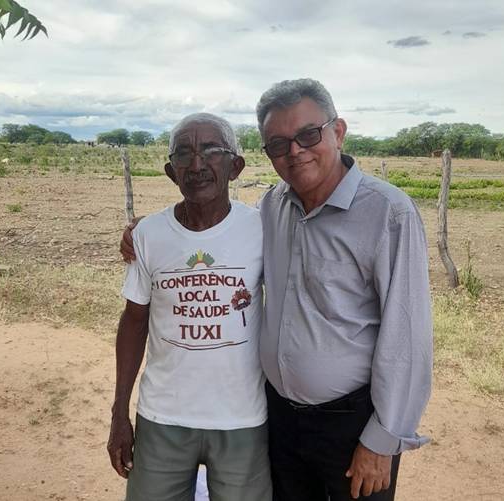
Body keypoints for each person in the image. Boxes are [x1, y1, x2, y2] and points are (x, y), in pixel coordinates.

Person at [121, 78, 432, 501]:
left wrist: (383, 439)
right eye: (279, 144)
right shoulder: (272, 207)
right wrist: (145, 231)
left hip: (351, 422)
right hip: (280, 420)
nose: (295, 151)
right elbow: (209, 231)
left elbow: (407, 339)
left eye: (309, 134)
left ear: (338, 132)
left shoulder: (388, 213)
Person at [107, 113, 272, 501]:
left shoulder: (263, 228)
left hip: (241, 418)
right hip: (163, 416)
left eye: (212, 150)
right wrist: (119, 412)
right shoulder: (149, 234)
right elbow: (134, 321)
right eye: (184, 153)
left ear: (235, 166)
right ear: (171, 172)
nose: (197, 164)